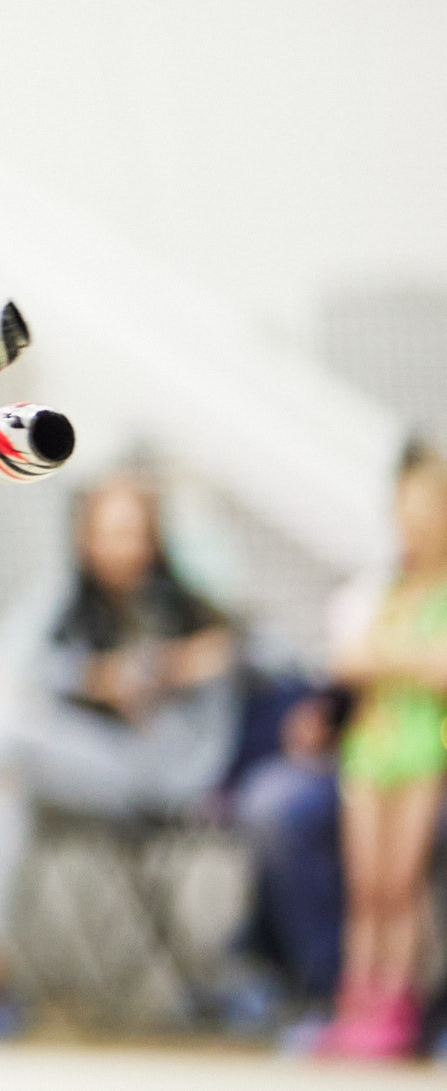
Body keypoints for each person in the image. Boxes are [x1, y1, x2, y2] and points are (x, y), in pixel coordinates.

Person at [0, 469, 239, 1036]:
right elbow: (3, 666)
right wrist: (91, 678)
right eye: (107, 532)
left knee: (9, 728)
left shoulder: (184, 607)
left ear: (154, 538)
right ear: (85, 536)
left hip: (158, 775)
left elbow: (239, 657)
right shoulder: (69, 600)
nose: (119, 546)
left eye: (131, 532)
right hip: (75, 765)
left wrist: (160, 669)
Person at [317, 443, 447, 1059]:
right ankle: (355, 1000)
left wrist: (389, 663)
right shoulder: (383, 586)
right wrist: (406, 663)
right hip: (370, 745)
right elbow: (347, 658)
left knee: (401, 882)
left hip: (424, 744)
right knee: (366, 883)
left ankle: (399, 1001)